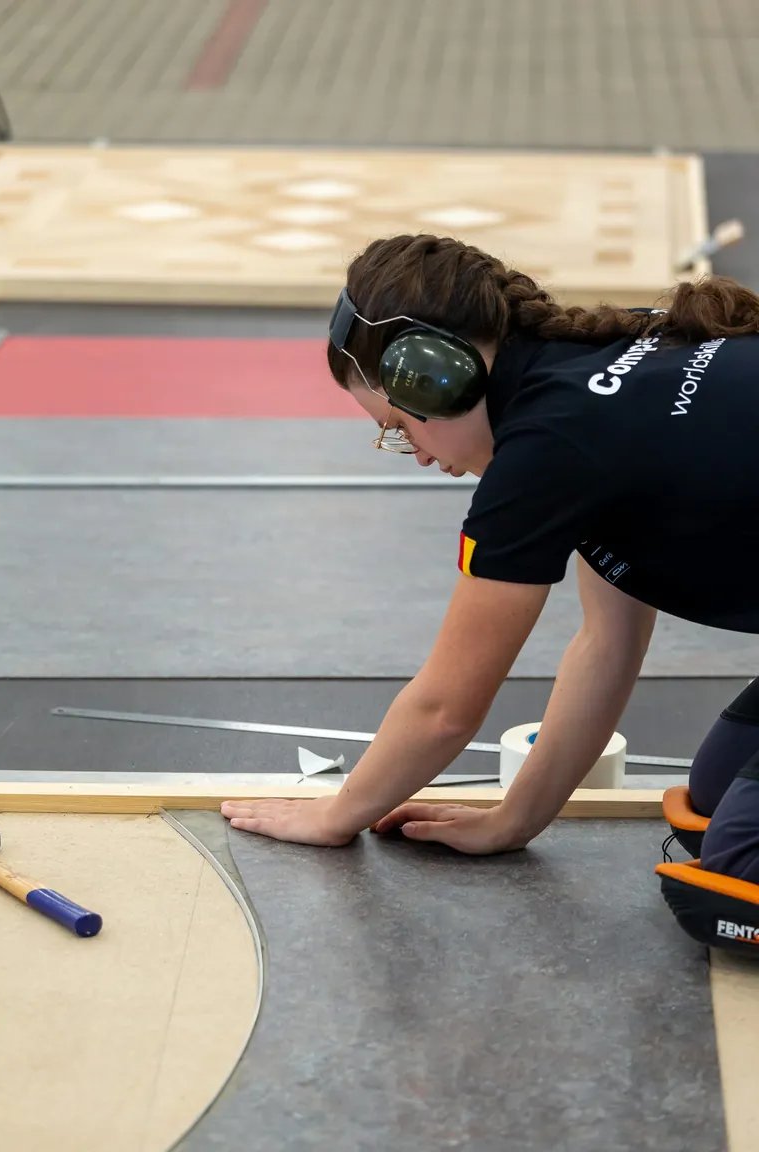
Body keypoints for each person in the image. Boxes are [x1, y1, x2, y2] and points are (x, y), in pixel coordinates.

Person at [221, 233, 759, 888]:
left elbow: (446, 708)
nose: (414, 453)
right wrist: (515, 820)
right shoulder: (593, 360)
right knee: (713, 798)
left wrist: (336, 816)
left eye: (397, 426)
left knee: (739, 869)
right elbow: (608, 643)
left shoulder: (545, 451)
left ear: (438, 378)